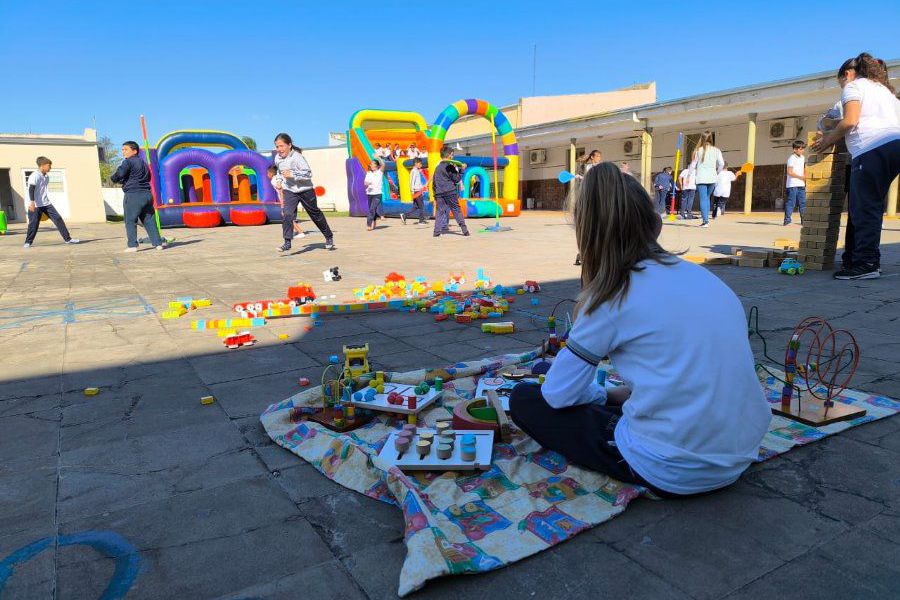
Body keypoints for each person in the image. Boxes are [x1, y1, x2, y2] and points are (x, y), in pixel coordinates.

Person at [508, 162, 770, 497]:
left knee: (526, 398)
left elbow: (558, 396)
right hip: (738, 453)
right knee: (556, 373)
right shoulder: (705, 279)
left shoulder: (611, 293)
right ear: (654, 223)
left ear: (587, 236)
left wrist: (603, 396)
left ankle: (623, 427)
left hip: (672, 469)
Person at [813, 53, 900, 280]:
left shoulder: (854, 87)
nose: (842, 85)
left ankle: (866, 264)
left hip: (871, 150)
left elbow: (850, 120)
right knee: (872, 207)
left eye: (840, 80)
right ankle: (871, 259)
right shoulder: (886, 91)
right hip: (893, 148)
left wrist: (828, 139)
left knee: (864, 209)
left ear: (848, 73)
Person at [273, 133, 334, 252]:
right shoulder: (277, 158)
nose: (279, 149)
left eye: (281, 146)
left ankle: (329, 237)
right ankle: (287, 242)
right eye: (277, 147)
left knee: (315, 214)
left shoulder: (297, 157)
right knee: (287, 214)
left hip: (305, 190)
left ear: (289, 145)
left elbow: (308, 174)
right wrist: (279, 181)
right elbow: (279, 172)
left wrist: (293, 174)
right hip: (290, 190)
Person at [109, 142, 164, 252]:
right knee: (149, 220)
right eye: (122, 149)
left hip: (133, 195)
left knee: (130, 220)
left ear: (134, 151)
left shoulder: (127, 162)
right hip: (147, 195)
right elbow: (148, 177)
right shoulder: (144, 163)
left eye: (125, 149)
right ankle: (158, 244)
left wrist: (113, 178)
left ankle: (132, 245)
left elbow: (119, 174)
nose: (123, 152)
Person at [23, 156, 80, 248]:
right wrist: (32, 202)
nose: (50, 167)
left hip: (46, 203)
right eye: (49, 165)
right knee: (34, 224)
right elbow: (31, 189)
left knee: (58, 219)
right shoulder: (35, 176)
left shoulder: (46, 177)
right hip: (35, 204)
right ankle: (28, 242)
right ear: (42, 165)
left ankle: (68, 239)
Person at [689, 131, 724, 228]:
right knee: (707, 198)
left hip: (701, 178)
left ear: (702, 139)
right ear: (711, 139)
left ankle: (705, 221)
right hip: (712, 178)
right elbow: (721, 164)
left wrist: (688, 175)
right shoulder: (717, 150)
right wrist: (716, 172)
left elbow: (693, 164)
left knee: (703, 199)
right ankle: (706, 220)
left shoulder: (698, 151)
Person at [432, 147, 469, 237]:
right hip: (450, 191)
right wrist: (462, 170)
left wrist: (435, 194)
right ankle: (465, 230)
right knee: (456, 210)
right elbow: (456, 179)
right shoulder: (450, 166)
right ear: (449, 155)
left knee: (440, 211)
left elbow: (434, 182)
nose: (453, 156)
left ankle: (436, 231)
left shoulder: (437, 168)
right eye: (452, 154)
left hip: (439, 192)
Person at [267, 165, 305, 239]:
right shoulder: (279, 177)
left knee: (286, 215)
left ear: (270, 173)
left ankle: (300, 232)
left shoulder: (274, 180)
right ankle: (294, 231)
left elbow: (281, 191)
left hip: (287, 198)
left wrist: (282, 203)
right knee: (289, 216)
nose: (267, 175)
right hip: (292, 197)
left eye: (267, 173)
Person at [783, 141, 807, 225]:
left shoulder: (803, 157)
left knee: (803, 203)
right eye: (800, 149)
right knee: (791, 203)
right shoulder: (791, 158)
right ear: (794, 149)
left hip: (801, 185)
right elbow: (790, 172)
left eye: (803, 149)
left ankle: (804, 221)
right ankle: (787, 221)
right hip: (792, 185)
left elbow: (804, 168)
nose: (802, 150)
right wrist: (801, 177)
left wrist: (805, 176)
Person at [404, 157, 428, 224]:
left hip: (418, 190)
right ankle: (421, 220)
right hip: (416, 191)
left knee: (416, 206)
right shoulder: (414, 171)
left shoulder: (417, 171)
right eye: (420, 163)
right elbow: (412, 181)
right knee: (421, 206)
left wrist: (422, 187)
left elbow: (418, 182)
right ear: (416, 163)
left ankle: (405, 215)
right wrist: (412, 191)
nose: (421, 165)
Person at [364, 159, 387, 231]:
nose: (371, 165)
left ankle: (369, 224)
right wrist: (367, 183)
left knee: (372, 209)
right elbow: (365, 182)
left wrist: (378, 157)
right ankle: (374, 221)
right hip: (369, 193)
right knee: (371, 209)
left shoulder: (380, 172)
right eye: (370, 164)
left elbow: (383, 164)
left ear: (376, 165)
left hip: (377, 194)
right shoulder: (368, 173)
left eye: (372, 164)